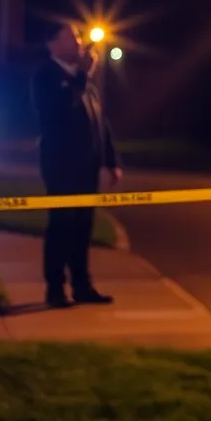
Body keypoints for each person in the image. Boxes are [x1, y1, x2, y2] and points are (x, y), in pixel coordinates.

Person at [32, 22, 123, 308]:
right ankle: (55, 289)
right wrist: (81, 77)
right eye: (71, 37)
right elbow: (56, 114)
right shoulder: (45, 77)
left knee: (84, 226)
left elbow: (101, 123)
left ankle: (83, 285)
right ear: (52, 44)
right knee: (62, 225)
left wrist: (110, 160)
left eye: (78, 36)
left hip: (87, 166)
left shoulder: (88, 84)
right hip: (61, 165)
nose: (78, 41)